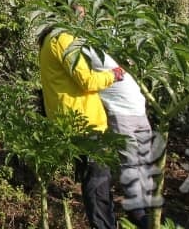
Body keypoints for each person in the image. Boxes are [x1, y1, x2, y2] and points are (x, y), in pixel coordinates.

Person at [37, 22, 125, 229]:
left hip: (75, 119)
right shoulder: (63, 39)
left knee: (95, 177)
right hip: (83, 122)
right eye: (80, 14)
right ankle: (104, 226)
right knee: (98, 179)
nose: (83, 21)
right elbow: (87, 81)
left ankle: (105, 222)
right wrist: (114, 74)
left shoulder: (52, 39)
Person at [83, 46, 154, 229]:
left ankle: (146, 209)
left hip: (139, 110)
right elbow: (88, 79)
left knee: (146, 162)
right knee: (130, 163)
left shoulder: (112, 45)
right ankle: (137, 212)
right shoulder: (84, 48)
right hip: (120, 113)